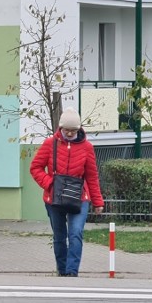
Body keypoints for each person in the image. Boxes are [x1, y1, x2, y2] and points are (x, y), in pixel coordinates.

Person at [30, 107, 104, 277]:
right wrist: (50, 184)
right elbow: (35, 167)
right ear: (61, 128)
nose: (70, 134)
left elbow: (92, 176)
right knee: (59, 236)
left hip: (79, 197)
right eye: (67, 130)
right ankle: (62, 272)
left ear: (79, 129)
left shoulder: (87, 147)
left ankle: (72, 272)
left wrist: (98, 201)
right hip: (53, 198)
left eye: (73, 130)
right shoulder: (50, 144)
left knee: (76, 233)